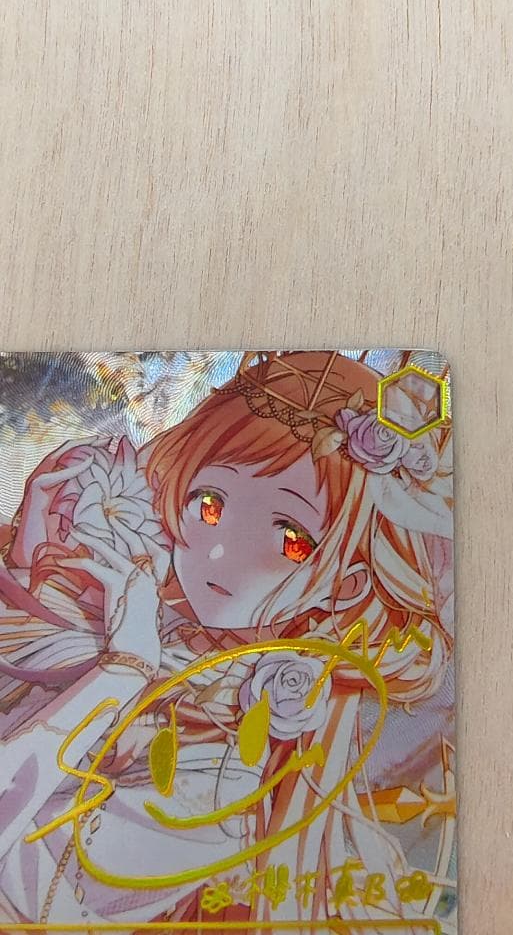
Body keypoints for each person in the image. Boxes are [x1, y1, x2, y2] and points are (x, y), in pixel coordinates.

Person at [0, 350, 454, 931]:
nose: (218, 552)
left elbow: (36, 898)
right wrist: (30, 572)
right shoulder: (130, 611)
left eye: (291, 539)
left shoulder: (221, 773)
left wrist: (122, 670)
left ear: (346, 585)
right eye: (210, 505)